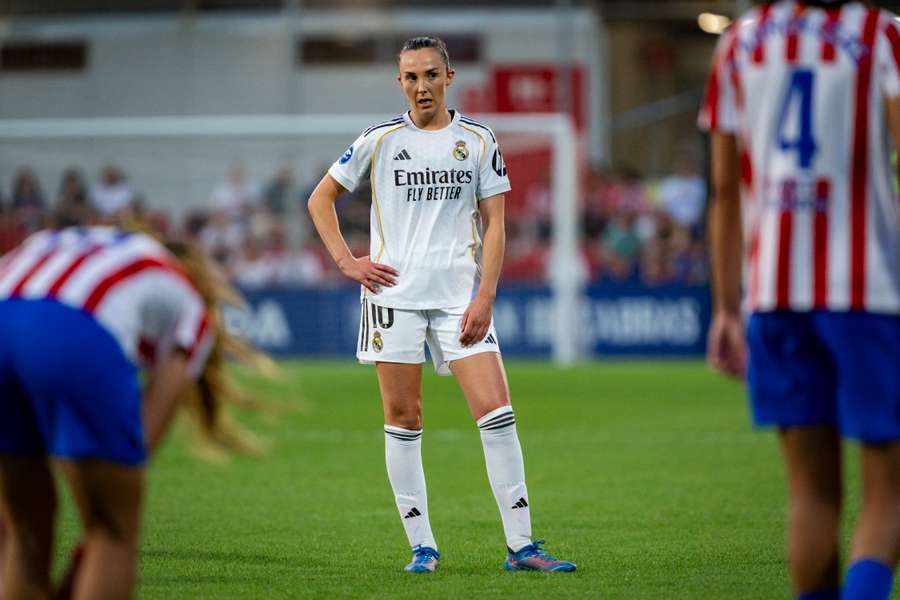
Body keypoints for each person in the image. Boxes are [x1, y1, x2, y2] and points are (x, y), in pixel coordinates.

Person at [307, 36, 575, 574]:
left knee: (497, 414)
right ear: (399, 83)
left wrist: (486, 293)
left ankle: (521, 546)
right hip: (394, 299)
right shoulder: (379, 140)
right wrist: (346, 262)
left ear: (448, 78)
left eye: (430, 75)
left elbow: (496, 221)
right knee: (404, 419)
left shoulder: (477, 139)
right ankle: (422, 547)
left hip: (459, 299)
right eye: (410, 77)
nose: (421, 86)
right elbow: (320, 199)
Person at [700, 2, 900, 599]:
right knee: (889, 489)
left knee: (811, 495)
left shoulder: (738, 43)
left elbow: (724, 189)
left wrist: (727, 307)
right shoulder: (882, 33)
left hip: (773, 296)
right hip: (868, 293)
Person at [0, 224, 261, 599]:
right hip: (72, 328)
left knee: (24, 535)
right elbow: (138, 445)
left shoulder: (85, 240)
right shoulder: (185, 298)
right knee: (113, 530)